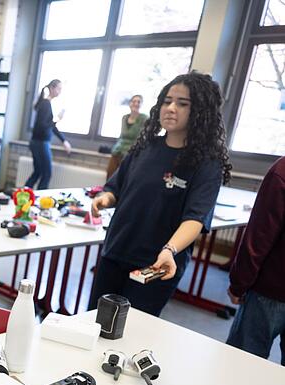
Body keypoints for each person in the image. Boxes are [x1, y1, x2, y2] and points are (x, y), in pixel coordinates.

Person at [88, 72, 232, 317]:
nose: (171, 108)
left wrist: (170, 250)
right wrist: (105, 198)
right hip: (116, 251)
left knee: (130, 331)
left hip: (156, 264)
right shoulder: (144, 148)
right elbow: (116, 187)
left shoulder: (207, 164)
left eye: (182, 104)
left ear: (200, 111)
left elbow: (195, 219)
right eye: (167, 101)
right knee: (94, 322)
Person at [224, 155, 285, 385]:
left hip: (270, 291)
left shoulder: (282, 173)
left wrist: (238, 281)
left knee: (241, 368)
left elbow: (258, 237)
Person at [25, 79, 72, 190]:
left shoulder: (46, 103)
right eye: (59, 88)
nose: (60, 91)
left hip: (38, 142)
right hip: (40, 143)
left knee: (38, 172)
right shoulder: (46, 104)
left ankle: (23, 195)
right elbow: (43, 126)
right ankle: (39, 200)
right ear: (52, 88)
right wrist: (57, 119)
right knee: (46, 174)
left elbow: (50, 126)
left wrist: (63, 141)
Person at [107, 94, 147, 179]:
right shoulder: (124, 118)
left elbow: (144, 138)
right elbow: (121, 136)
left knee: (124, 179)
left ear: (141, 105)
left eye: (138, 102)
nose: (136, 104)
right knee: (110, 176)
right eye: (133, 101)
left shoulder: (144, 118)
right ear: (130, 103)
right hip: (117, 151)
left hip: (132, 153)